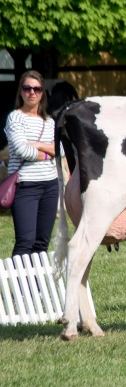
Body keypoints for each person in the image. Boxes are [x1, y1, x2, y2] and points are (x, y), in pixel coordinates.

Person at [4, 70, 59, 257]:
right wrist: (47, 153)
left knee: (42, 242)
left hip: (50, 185)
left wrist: (36, 144)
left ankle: (35, 287)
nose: (32, 92)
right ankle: (20, 286)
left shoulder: (49, 121)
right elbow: (22, 151)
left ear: (43, 93)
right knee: (25, 242)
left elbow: (60, 151)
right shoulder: (15, 117)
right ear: (21, 91)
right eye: (27, 88)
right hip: (25, 185)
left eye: (37, 89)